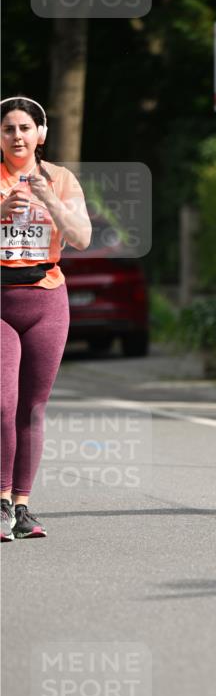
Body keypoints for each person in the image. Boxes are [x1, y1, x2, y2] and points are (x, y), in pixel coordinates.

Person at [1, 96, 92, 540]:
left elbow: (82, 237)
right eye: (8, 129)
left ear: (41, 134)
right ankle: (1, 499)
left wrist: (50, 200)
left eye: (25, 128)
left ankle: (22, 506)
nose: (17, 136)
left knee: (32, 407)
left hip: (47, 299)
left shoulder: (61, 179)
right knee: (3, 403)